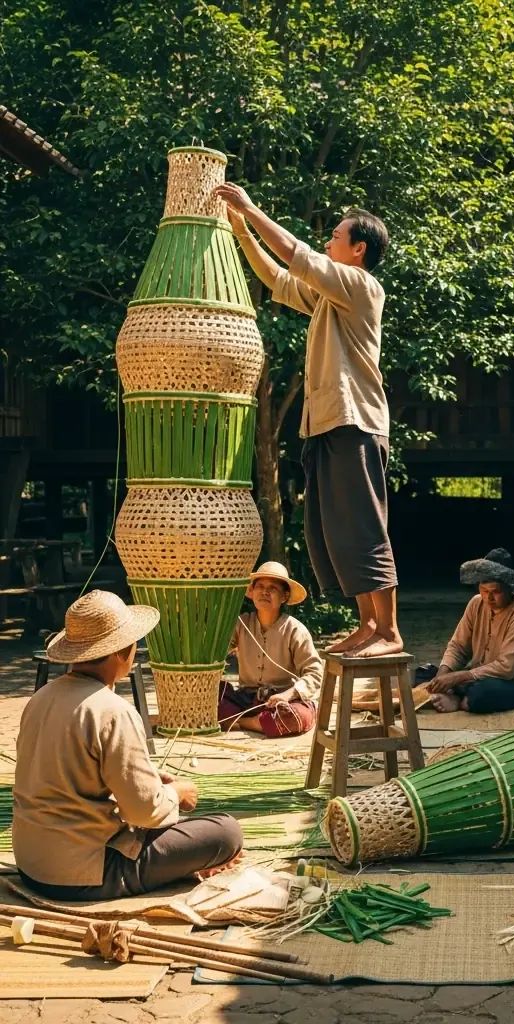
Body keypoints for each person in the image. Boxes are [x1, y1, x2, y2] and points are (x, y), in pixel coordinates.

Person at [213, 181, 400, 658]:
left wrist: (251, 208)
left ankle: (389, 631)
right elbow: (278, 279)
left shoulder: (360, 285)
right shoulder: (328, 296)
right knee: (334, 531)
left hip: (355, 421)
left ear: (358, 250)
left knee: (363, 526)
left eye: (336, 237)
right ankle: (368, 625)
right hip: (327, 424)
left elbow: (295, 253)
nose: (327, 243)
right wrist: (242, 232)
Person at [13, 591, 243, 900]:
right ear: (123, 651)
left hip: (32, 865)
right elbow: (143, 813)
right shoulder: (113, 711)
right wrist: (175, 793)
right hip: (86, 873)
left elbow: (63, 772)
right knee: (225, 832)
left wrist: (148, 776)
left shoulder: (40, 699)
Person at [427, 548, 514, 714]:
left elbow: (506, 669)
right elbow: (458, 646)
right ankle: (452, 694)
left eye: (496, 592)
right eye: (484, 591)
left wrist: (458, 677)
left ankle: (458, 700)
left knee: (481, 695)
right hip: (476, 675)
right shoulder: (476, 603)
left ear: (509, 589)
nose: (489, 598)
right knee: (424, 674)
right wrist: (441, 677)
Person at [218, 561, 324, 737]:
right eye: (260, 586)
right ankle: (258, 722)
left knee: (297, 717)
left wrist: (288, 695)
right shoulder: (241, 624)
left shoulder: (295, 629)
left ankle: (239, 722)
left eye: (273, 588)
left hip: (282, 701)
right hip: (246, 699)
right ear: (252, 592)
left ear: (284, 596)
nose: (265, 592)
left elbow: (314, 673)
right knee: (208, 697)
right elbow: (218, 653)